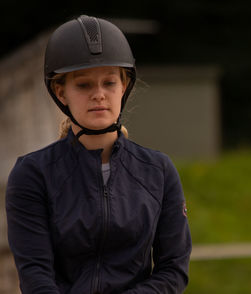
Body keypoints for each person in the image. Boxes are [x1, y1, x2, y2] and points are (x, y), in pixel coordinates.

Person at [6, 15, 192, 294]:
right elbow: (35, 274)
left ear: (124, 87)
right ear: (61, 93)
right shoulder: (32, 174)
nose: (99, 95)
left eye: (109, 83)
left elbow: (173, 270)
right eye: (83, 85)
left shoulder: (159, 171)